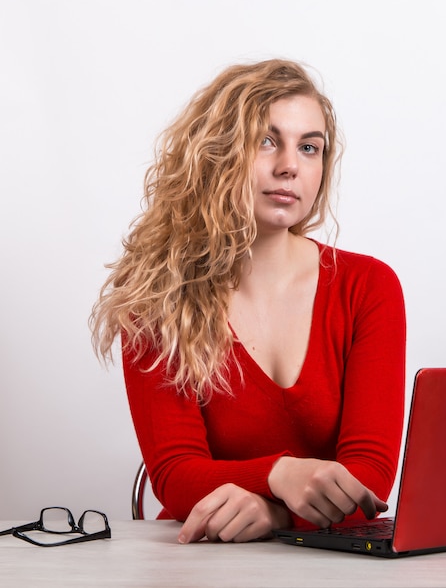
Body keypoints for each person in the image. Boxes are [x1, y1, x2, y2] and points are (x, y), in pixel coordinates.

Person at [90, 59, 406, 544]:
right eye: (265, 140)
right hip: (205, 558)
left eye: (309, 148)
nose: (289, 165)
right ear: (217, 153)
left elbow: (370, 477)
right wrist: (279, 474)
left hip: (334, 565)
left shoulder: (369, 286)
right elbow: (175, 475)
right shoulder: (154, 296)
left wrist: (276, 517)